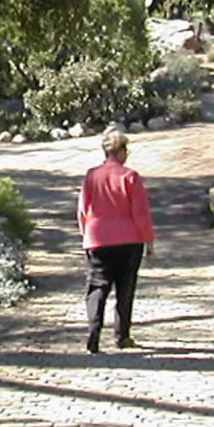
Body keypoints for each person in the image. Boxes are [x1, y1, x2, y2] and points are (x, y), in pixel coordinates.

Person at [78, 128, 155, 351]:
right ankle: (122, 336)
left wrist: (86, 234)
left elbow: (83, 209)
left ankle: (94, 329)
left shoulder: (92, 176)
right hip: (129, 239)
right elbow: (140, 213)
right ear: (120, 151)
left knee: (97, 286)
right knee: (125, 287)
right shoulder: (130, 177)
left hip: (98, 238)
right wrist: (148, 239)